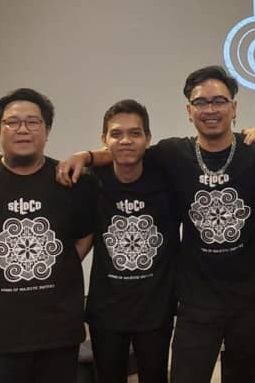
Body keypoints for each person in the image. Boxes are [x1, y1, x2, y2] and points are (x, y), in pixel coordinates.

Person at [50, 66, 255, 382]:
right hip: (196, 302)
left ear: (234, 107)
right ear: (189, 111)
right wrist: (85, 156)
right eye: (201, 102)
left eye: (219, 101)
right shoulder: (173, 153)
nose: (211, 109)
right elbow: (127, 151)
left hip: (254, 301)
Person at [0, 88, 95, 382]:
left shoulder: (70, 181)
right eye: (12, 122)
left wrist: (58, 265)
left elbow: (85, 235)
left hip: (58, 333)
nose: (23, 129)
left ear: (47, 130)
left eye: (33, 122)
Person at [85, 99, 179, 383]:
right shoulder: (90, 182)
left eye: (135, 133)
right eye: (116, 134)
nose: (125, 140)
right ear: (104, 140)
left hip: (156, 309)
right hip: (106, 310)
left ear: (148, 138)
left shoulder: (169, 178)